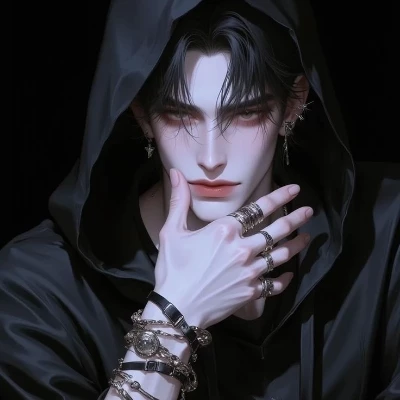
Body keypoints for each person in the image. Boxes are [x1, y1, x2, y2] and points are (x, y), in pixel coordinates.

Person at [2, 0, 399, 399]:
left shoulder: (387, 233)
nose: (211, 158)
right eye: (180, 115)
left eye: (245, 114)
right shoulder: (38, 290)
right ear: (142, 115)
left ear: (293, 104)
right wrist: (174, 315)